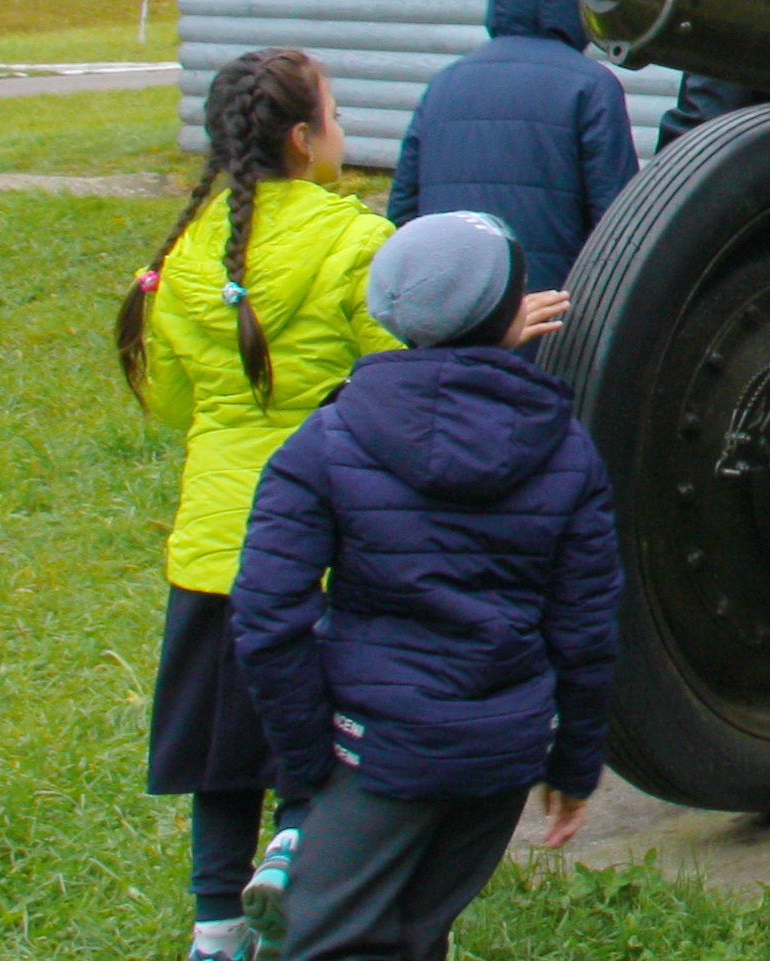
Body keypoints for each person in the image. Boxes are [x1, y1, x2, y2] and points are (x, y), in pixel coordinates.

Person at [228, 213, 613, 961]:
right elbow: (587, 624)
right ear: (512, 315)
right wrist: (574, 761)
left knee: (326, 941)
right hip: (501, 753)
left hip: (375, 749)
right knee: (415, 934)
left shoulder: (326, 439)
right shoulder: (567, 446)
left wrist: (307, 763)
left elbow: (267, 615)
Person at [116, 50, 398, 961]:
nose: (344, 131)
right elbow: (397, 369)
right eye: (336, 114)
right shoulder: (356, 238)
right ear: (302, 138)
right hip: (324, 541)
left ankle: (213, 928)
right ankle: (294, 858)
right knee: (316, 736)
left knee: (221, 749)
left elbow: (168, 403)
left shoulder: (182, 252)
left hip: (212, 549)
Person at [386, 0, 636, 290]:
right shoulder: (592, 88)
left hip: (450, 318)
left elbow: (404, 214)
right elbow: (618, 228)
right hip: (549, 325)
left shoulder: (445, 83)